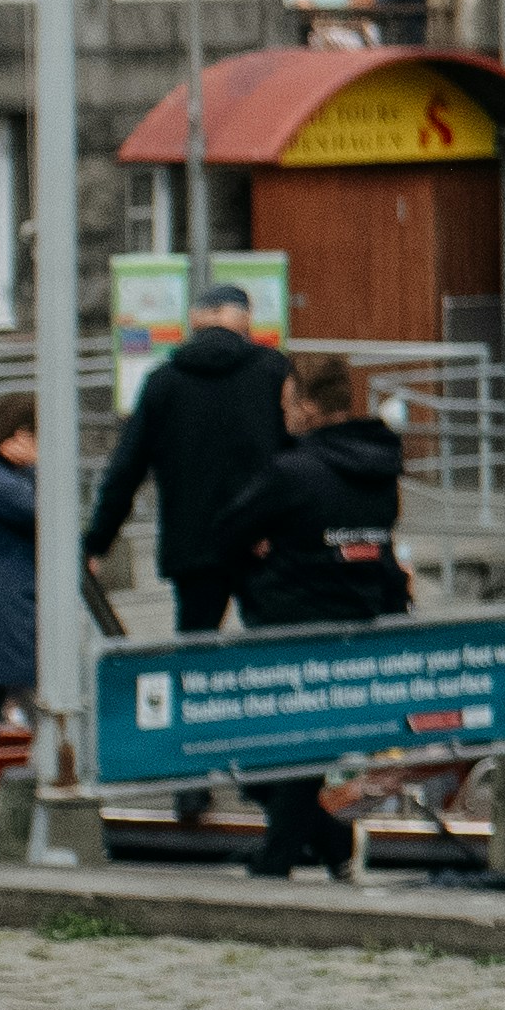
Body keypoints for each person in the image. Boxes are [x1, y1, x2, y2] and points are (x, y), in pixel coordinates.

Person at [194, 348, 418, 879]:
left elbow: (225, 534)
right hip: (359, 621)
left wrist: (259, 555)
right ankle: (333, 847)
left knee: (269, 755)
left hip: (290, 625)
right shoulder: (378, 469)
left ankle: (277, 865)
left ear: (309, 406)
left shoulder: (292, 473)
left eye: (288, 402)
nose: (284, 413)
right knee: (303, 751)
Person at [82, 280, 288, 666]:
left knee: (194, 658)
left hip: (193, 543)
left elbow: (127, 469)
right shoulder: (275, 372)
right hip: (262, 542)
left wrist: (97, 541)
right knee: (273, 653)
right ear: (244, 319)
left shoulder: (165, 381)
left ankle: (196, 723)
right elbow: (301, 457)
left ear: (196, 319)